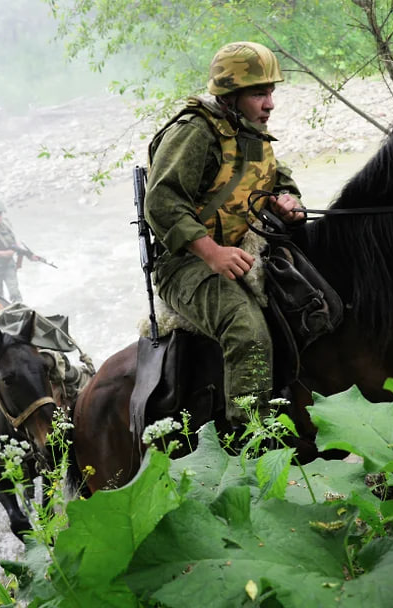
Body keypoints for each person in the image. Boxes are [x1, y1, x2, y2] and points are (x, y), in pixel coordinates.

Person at [145, 41, 305, 425]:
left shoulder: (248, 130)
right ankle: (249, 439)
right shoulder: (195, 131)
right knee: (246, 329)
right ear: (231, 97)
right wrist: (211, 253)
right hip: (185, 264)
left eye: (271, 92)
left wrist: (288, 199)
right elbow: (162, 202)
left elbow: (276, 178)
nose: (270, 104)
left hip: (241, 251)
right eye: (258, 94)